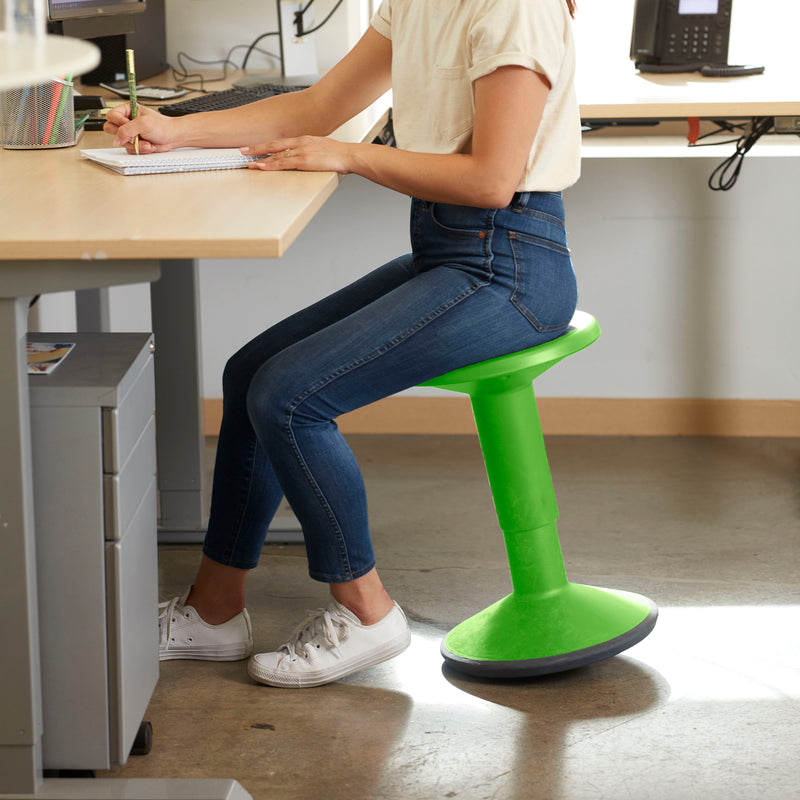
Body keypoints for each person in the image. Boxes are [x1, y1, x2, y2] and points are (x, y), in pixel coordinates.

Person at [105, 0, 581, 689]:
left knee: (290, 396)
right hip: (450, 250)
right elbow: (318, 105)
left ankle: (368, 612)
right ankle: (213, 614)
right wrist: (173, 129)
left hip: (509, 269)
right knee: (252, 372)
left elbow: (490, 180)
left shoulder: (514, 9)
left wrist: (354, 157)